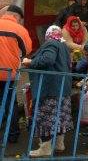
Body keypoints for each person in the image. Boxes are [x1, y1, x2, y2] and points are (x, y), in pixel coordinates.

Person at [22, 26, 72, 157]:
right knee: (60, 117)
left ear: (48, 35)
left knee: (45, 118)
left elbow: (47, 59)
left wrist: (30, 62)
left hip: (50, 88)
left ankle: (45, 149)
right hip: (62, 88)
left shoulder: (51, 43)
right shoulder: (64, 46)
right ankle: (59, 145)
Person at [0, 5, 33, 143]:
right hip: (8, 74)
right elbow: (27, 50)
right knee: (10, 103)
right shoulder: (20, 30)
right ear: (16, 16)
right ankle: (12, 135)